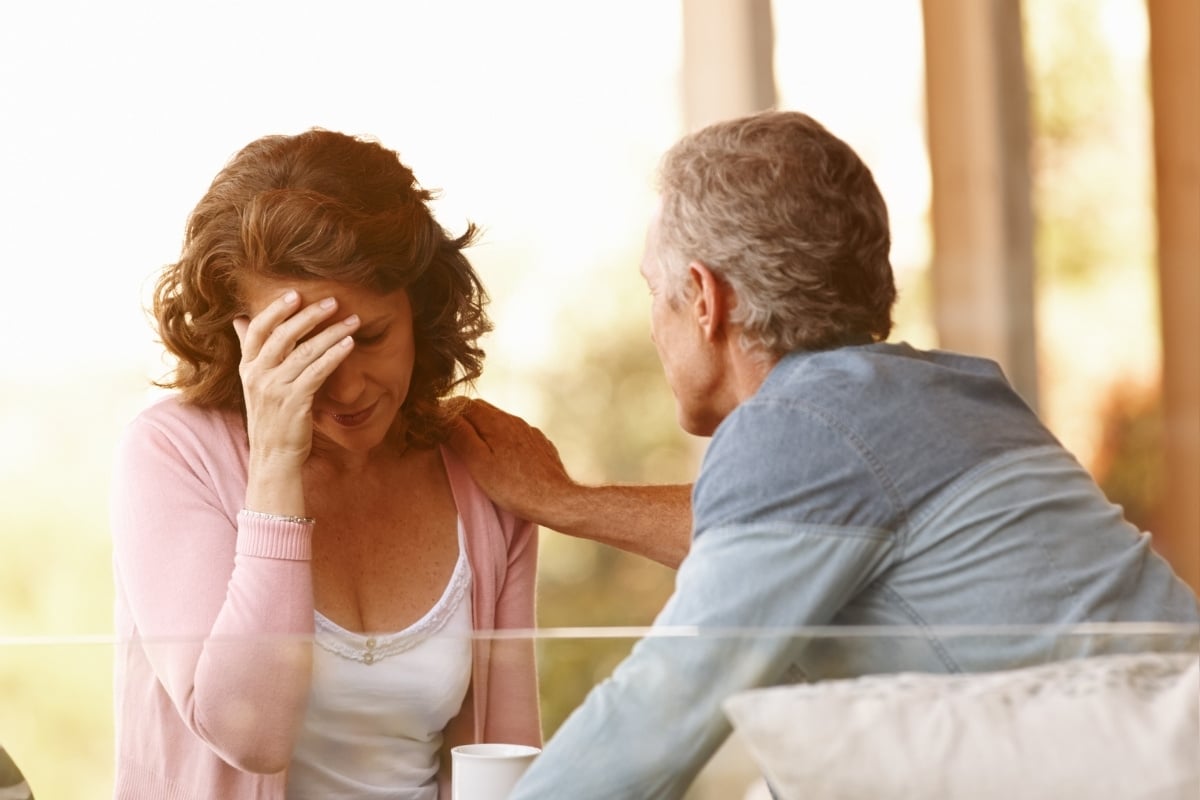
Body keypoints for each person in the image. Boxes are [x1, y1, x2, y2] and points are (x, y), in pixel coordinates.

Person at [446, 110, 1200, 798]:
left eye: (656, 291)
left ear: (706, 299)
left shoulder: (795, 427)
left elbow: (661, 708)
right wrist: (565, 502)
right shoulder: (942, 395)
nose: (653, 326)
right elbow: (761, 550)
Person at [109, 129, 540, 799]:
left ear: (420, 313)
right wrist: (277, 461)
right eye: (303, 349)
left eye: (368, 338)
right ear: (238, 334)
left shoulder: (478, 472)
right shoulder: (171, 454)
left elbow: (504, 765)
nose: (345, 388)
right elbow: (249, 736)